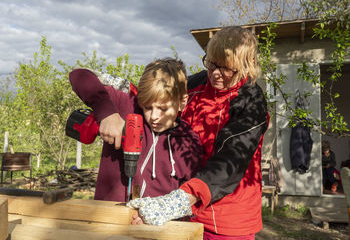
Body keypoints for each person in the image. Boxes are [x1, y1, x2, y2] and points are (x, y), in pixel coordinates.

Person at [126, 26, 269, 239]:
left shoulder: (251, 103)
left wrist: (177, 202)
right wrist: (107, 112)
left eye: (227, 68)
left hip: (228, 220)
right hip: (186, 215)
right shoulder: (197, 84)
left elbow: (230, 162)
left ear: (245, 66)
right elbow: (155, 98)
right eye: (211, 64)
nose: (215, 74)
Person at [69, 58, 203, 202]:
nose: (154, 117)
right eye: (148, 107)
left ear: (182, 102)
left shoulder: (189, 143)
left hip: (159, 223)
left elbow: (188, 197)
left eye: (163, 109)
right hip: (109, 217)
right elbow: (79, 75)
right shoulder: (127, 106)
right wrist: (107, 113)